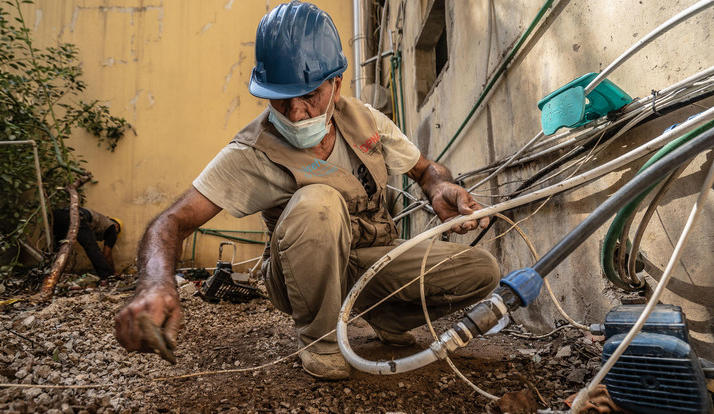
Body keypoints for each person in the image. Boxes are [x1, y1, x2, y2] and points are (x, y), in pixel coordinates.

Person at [115, 1, 499, 380]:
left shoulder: (366, 120)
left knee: (482, 271)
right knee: (319, 203)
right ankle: (322, 340)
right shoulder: (250, 153)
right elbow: (173, 220)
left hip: (371, 261)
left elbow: (424, 169)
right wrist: (155, 282)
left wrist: (439, 186)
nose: (296, 112)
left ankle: (385, 313)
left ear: (336, 83)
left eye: (310, 94)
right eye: (281, 98)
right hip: (299, 274)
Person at [52, 207, 122, 277]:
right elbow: (107, 254)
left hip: (59, 214)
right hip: (79, 216)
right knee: (92, 247)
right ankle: (107, 274)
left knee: (60, 247)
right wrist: (113, 272)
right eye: (118, 230)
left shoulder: (100, 220)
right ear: (116, 225)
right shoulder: (112, 228)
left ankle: (52, 271)